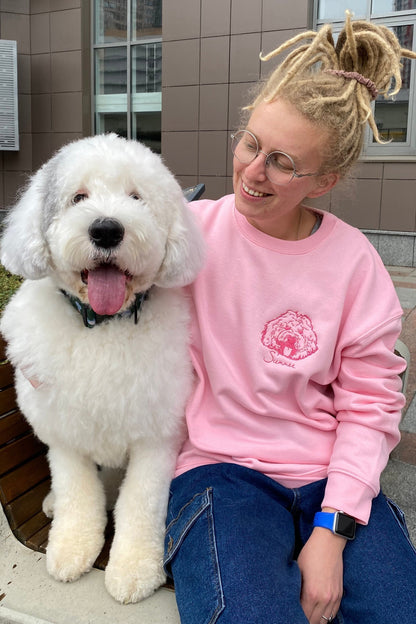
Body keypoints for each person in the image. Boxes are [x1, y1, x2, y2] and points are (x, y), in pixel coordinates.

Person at [163, 12, 416, 624]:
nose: (252, 171)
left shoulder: (354, 264)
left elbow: (370, 405)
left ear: (323, 182)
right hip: (221, 477)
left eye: (282, 162)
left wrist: (333, 530)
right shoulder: (187, 234)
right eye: (251, 142)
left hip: (331, 478)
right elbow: (97, 274)